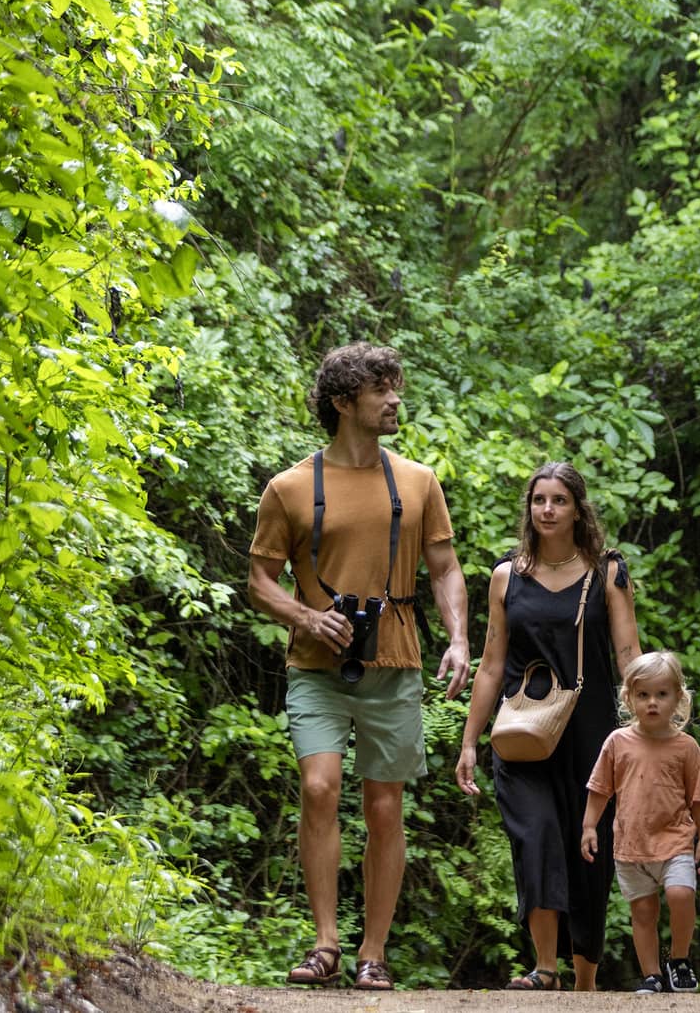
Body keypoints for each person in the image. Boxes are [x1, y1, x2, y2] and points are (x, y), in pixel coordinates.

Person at [248, 343, 470, 993]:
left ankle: (374, 951)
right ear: (345, 402)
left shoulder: (419, 481)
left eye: (395, 386)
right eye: (382, 389)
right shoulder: (289, 488)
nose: (395, 398)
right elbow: (260, 579)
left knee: (383, 806)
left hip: (395, 662)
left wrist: (457, 638)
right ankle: (325, 944)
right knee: (319, 788)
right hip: (316, 665)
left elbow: (446, 568)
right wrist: (306, 617)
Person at [456, 462, 641, 991]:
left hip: (591, 733)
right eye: (539, 500)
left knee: (588, 851)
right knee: (535, 837)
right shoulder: (505, 576)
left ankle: (584, 982)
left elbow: (628, 653)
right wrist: (470, 740)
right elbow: (491, 663)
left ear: (578, 508)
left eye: (559, 500)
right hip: (523, 732)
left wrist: (651, 722)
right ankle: (544, 968)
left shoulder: (608, 571)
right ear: (529, 508)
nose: (548, 510)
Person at [582, 650, 700, 994]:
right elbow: (599, 789)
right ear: (629, 698)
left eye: (661, 694)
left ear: (678, 699)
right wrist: (588, 827)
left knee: (681, 894)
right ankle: (652, 975)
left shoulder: (686, 747)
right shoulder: (617, 742)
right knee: (643, 912)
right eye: (643, 695)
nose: (652, 702)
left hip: (675, 842)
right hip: (631, 846)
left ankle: (679, 960)